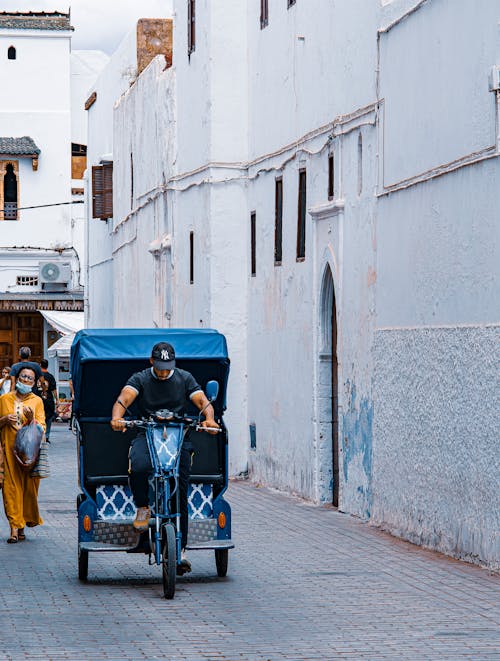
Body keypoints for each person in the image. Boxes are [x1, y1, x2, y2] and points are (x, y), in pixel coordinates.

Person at [110, 342, 218, 571]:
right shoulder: (140, 378)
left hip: (178, 435)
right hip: (147, 431)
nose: (164, 371)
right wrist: (117, 417)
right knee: (139, 465)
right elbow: (125, 398)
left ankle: (180, 551)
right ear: (151, 362)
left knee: (181, 484)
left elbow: (202, 401)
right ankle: (142, 506)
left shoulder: (184, 378)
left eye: (168, 366)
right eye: (159, 366)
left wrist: (209, 418)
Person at [0, 366, 46, 543]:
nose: (26, 380)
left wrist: (31, 418)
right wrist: (4, 420)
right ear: (17, 379)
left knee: (28, 491)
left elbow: (42, 427)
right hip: (9, 453)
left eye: (30, 378)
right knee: (10, 490)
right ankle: (13, 528)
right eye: (23, 377)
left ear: (34, 383)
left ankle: (21, 527)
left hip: (29, 456)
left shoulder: (37, 401)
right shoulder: (4, 399)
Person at [37, 359, 58, 442]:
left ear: (40, 365)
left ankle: (38, 435)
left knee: (38, 417)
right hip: (48, 399)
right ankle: (46, 436)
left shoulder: (37, 376)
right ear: (47, 366)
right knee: (48, 419)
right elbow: (54, 390)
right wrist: (57, 400)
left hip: (38, 399)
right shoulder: (50, 376)